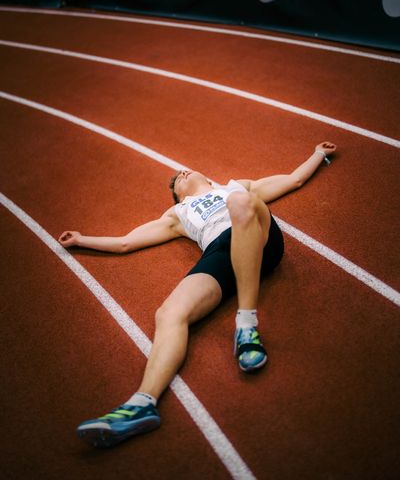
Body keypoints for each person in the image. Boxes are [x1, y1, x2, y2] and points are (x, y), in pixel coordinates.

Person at [59, 141, 336, 448]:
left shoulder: (236, 186)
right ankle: (141, 404)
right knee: (169, 313)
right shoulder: (177, 214)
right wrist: (82, 240)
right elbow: (127, 242)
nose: (182, 172)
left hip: (260, 236)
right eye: (177, 178)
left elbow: (292, 179)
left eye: (183, 170)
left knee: (241, 203)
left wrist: (318, 154)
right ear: (179, 196)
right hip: (220, 252)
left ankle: (246, 325)